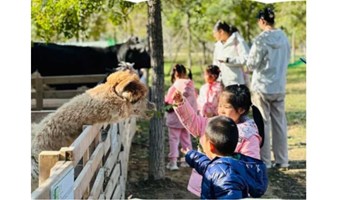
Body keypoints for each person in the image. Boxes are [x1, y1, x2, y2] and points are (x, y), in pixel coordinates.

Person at [172, 84, 264, 197]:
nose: (221, 110)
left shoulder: (248, 135)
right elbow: (194, 122)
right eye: (220, 105)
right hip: (203, 183)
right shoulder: (214, 123)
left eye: (226, 107)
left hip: (229, 189)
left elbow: (250, 166)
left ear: (241, 109)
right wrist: (182, 103)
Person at [181, 116, 268, 199]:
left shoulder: (225, 177)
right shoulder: (235, 162)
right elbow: (207, 165)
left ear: (210, 146)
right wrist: (191, 155)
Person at [246, 7, 290, 170]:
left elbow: (251, 64)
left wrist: (247, 63)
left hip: (262, 88)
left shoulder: (260, 40)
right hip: (279, 85)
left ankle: (265, 161)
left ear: (262, 21)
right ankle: (282, 160)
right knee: (280, 123)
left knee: (262, 123)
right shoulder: (284, 37)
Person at [164, 64, 198, 170]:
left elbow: (168, 103)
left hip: (175, 118)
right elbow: (194, 102)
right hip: (188, 118)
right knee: (186, 139)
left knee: (174, 139)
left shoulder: (174, 87)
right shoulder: (191, 86)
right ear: (184, 73)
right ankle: (187, 161)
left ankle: (173, 163)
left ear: (174, 74)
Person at [212, 20, 250, 87]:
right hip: (221, 83)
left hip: (236, 82)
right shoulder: (218, 45)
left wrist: (228, 60)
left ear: (221, 31)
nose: (213, 35)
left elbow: (246, 59)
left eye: (214, 33)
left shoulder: (238, 41)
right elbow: (215, 63)